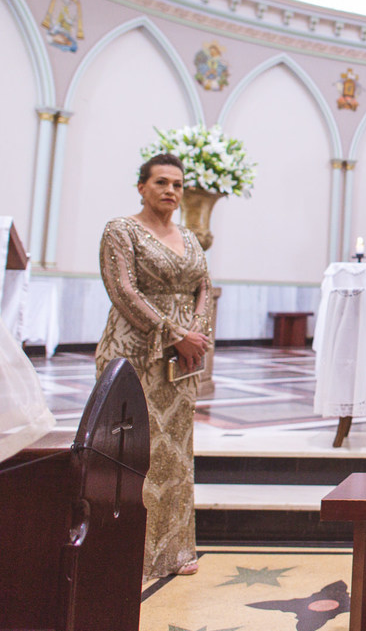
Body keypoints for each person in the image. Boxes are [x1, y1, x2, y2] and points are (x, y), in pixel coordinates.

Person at [96, 152, 212, 579]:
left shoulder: (189, 235)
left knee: (175, 452)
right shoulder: (120, 230)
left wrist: (195, 336)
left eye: (177, 184)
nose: (170, 191)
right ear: (142, 187)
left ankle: (175, 550)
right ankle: (131, 551)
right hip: (135, 352)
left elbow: (204, 285)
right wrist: (174, 333)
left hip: (180, 361)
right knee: (136, 448)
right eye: (161, 182)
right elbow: (122, 290)